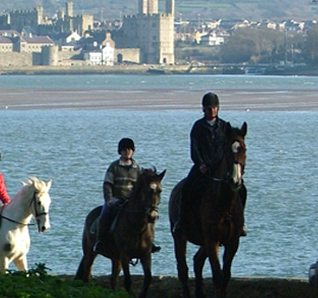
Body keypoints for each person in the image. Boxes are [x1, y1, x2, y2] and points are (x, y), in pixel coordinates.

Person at [172, 92, 247, 236]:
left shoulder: (225, 127)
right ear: (203, 109)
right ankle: (181, 221)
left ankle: (240, 223)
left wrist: (225, 165)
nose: (211, 110)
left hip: (220, 167)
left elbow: (229, 150)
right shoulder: (198, 127)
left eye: (214, 107)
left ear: (217, 108)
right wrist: (200, 164)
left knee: (242, 189)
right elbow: (194, 149)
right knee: (187, 188)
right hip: (203, 167)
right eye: (208, 108)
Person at [93, 138, 161, 253]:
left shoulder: (137, 168)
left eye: (129, 149)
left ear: (133, 151)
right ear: (120, 152)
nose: (127, 152)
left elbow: (141, 187)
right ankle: (100, 241)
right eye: (124, 150)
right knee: (104, 214)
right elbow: (107, 184)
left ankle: (149, 242)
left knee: (150, 216)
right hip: (117, 198)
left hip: (132, 200)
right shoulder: (114, 167)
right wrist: (109, 198)